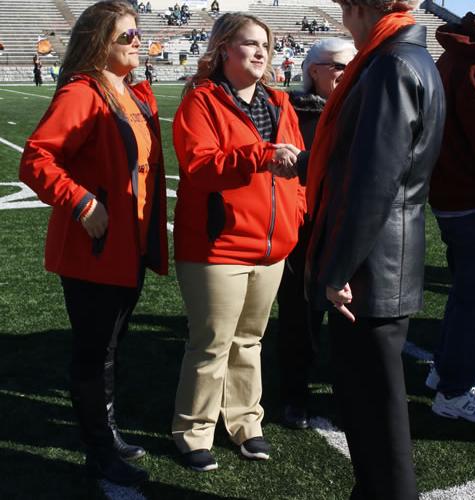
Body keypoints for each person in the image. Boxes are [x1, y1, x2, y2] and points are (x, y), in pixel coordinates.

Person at [274, 0, 445, 498]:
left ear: (356, 9)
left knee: (376, 412)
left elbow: (374, 181)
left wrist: (337, 269)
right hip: (383, 254)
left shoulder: (390, 64)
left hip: (373, 262)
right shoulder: (404, 57)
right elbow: (363, 162)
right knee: (369, 406)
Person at [19, 0, 168, 486]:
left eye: (137, 33)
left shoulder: (133, 92)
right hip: (95, 249)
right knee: (95, 352)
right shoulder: (83, 93)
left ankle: (105, 431)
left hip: (130, 246)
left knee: (111, 348)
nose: (138, 41)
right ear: (99, 43)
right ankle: (99, 449)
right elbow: (38, 160)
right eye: (127, 36)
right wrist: (82, 202)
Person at [171, 12, 305, 473]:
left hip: (273, 247)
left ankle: (247, 423)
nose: (260, 51)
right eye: (249, 43)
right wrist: (262, 156)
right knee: (211, 343)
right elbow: (200, 166)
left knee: (250, 341)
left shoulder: (281, 103)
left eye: (265, 44)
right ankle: (194, 430)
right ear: (223, 48)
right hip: (216, 246)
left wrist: (296, 211)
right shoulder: (200, 101)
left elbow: (297, 174)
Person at [427, 0, 475, 423]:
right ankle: (455, 390)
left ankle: (446, 371)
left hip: (460, 198)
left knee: (468, 295)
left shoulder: (465, 56)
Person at [277, 38, 356, 429]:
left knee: (352, 321)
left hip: (348, 229)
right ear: (313, 71)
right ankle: (294, 395)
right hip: (305, 231)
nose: (347, 73)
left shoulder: (359, 109)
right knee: (299, 319)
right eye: (339, 66)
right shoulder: (293, 113)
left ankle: (347, 395)